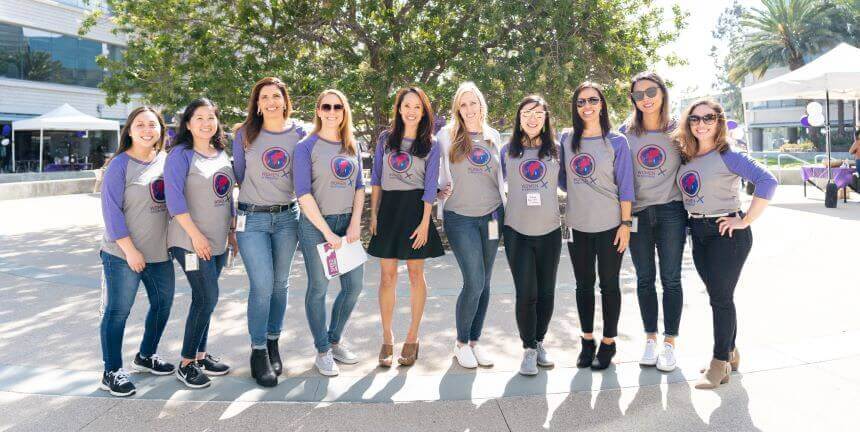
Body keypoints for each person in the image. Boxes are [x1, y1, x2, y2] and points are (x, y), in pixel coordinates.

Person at [673, 99, 777, 389]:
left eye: (708, 118)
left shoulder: (727, 154)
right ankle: (730, 352)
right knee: (718, 295)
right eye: (695, 119)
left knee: (720, 297)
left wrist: (745, 220)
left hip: (726, 233)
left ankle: (719, 362)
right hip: (698, 230)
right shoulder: (687, 156)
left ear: (719, 121)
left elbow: (767, 181)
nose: (701, 123)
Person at [232, 77, 307, 387]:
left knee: (280, 284)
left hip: (287, 217)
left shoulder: (300, 133)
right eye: (265, 97)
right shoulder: (244, 134)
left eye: (276, 96)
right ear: (257, 103)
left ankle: (274, 341)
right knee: (261, 285)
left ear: (285, 100)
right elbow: (237, 175)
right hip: (252, 219)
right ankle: (258, 349)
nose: (272, 101)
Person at [98, 107, 174, 397]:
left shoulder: (166, 161)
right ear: (129, 130)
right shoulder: (119, 165)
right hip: (121, 254)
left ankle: (146, 355)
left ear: (160, 130)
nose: (146, 129)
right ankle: (112, 370)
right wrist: (130, 251)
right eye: (139, 125)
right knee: (118, 311)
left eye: (152, 125)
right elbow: (112, 213)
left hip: (159, 253)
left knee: (163, 305)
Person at [560, 81, 634, 371]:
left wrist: (625, 223)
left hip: (611, 226)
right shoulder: (567, 140)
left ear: (601, 104)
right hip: (577, 226)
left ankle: (609, 342)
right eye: (581, 102)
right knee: (583, 285)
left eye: (592, 100)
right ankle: (587, 340)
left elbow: (626, 186)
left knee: (610, 284)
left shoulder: (617, 142)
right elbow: (563, 180)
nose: (587, 106)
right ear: (575, 108)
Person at [368, 86, 444, 367]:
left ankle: (412, 337)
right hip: (388, 209)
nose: (411, 111)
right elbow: (376, 178)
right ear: (399, 109)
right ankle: (387, 337)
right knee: (387, 276)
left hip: (415, 210)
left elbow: (430, 187)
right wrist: (374, 213)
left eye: (417, 107)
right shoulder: (386, 139)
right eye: (406, 106)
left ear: (423, 111)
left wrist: (426, 223)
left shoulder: (432, 143)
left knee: (415, 274)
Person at [165, 98, 237, 389]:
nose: (206, 123)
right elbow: (173, 199)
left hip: (218, 239)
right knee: (206, 296)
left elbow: (228, 193)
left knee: (206, 298)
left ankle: (201, 354)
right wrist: (195, 236)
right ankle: (186, 363)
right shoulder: (180, 154)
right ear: (188, 123)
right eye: (199, 118)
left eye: (211, 118)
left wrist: (232, 230)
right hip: (190, 240)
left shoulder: (220, 152)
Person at [294, 89, 365, 377]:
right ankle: (322, 350)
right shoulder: (305, 146)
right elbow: (302, 193)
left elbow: (360, 186)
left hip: (346, 224)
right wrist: (327, 232)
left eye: (338, 106)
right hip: (315, 227)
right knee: (319, 288)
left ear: (344, 110)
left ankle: (334, 339)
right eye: (327, 106)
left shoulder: (352, 144)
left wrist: (353, 224)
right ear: (319, 110)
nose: (332, 111)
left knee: (354, 287)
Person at [620, 72, 686, 372]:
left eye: (650, 92)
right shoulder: (626, 133)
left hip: (672, 212)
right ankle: (650, 339)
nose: (645, 99)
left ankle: (670, 343)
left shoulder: (679, 130)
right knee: (645, 279)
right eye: (638, 94)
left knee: (671, 279)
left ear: (662, 92)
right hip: (638, 216)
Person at [437, 82, 506, 369]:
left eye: (472, 103)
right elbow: (434, 171)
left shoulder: (493, 136)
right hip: (460, 218)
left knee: (486, 282)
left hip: (492, 216)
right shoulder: (446, 136)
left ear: (481, 105)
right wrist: (437, 192)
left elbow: (501, 176)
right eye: (462, 104)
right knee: (474, 280)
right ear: (457, 109)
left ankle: (475, 342)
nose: (468, 109)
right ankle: (461, 343)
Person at [499, 95, 562, 376]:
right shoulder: (507, 152)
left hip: (550, 231)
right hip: (517, 232)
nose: (532, 118)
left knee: (547, 292)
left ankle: (539, 343)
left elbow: (574, 185)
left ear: (546, 117)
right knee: (527, 293)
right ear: (519, 118)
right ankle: (527, 349)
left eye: (538, 113)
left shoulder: (558, 151)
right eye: (526, 113)